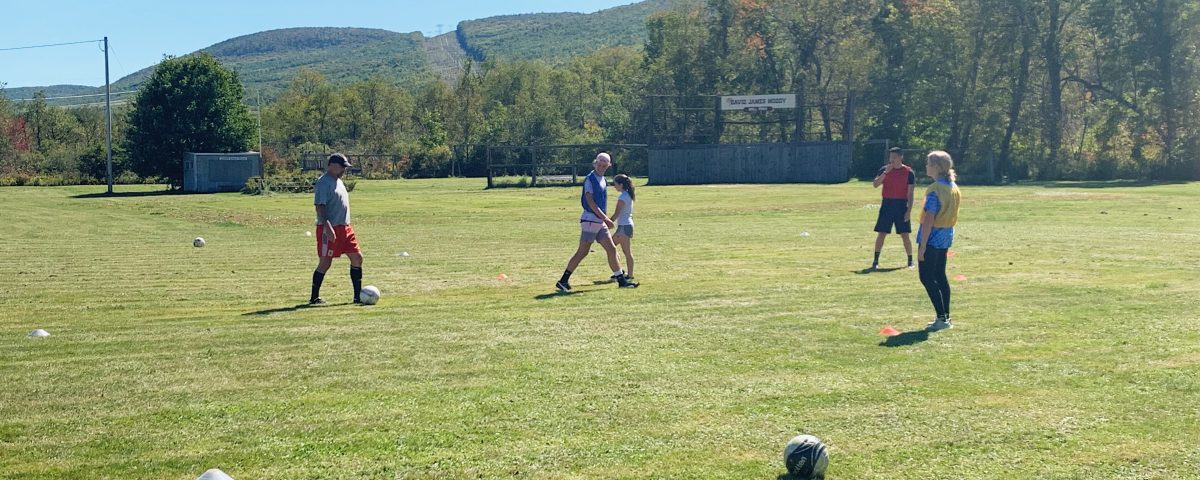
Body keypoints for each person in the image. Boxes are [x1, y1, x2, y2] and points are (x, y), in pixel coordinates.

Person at [555, 152, 638, 291]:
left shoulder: (603, 179)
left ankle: (622, 281)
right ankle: (563, 280)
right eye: (599, 164)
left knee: (611, 249)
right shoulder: (590, 179)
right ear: (595, 163)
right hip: (591, 220)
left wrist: (603, 219)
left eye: (604, 165)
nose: (601, 167)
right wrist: (605, 218)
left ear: (608, 166)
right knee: (582, 252)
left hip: (598, 221)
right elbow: (590, 201)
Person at [309, 153, 366, 305]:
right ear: (332, 165)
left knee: (357, 257)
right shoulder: (323, 182)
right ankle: (314, 297)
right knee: (325, 262)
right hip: (329, 228)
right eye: (342, 167)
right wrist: (327, 227)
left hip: (345, 227)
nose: (344, 170)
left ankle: (357, 297)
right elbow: (319, 206)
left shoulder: (338, 181)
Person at [917, 151, 961, 330]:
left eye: (928, 163)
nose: (926, 166)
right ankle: (945, 317)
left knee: (927, 277)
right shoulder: (953, 186)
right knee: (940, 276)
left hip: (933, 238)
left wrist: (922, 246)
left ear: (936, 166)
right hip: (945, 237)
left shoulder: (935, 189)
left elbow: (929, 218)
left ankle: (942, 318)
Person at [870, 146, 916, 270]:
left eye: (895, 157)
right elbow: (875, 184)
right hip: (887, 204)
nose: (892, 160)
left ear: (901, 157)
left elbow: (910, 194)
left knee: (905, 234)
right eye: (891, 157)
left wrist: (909, 211)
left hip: (901, 205)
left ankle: (910, 260)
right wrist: (886, 173)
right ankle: (875, 261)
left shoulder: (909, 172)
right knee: (882, 233)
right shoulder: (884, 170)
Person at [609, 174, 636, 280]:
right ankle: (620, 272)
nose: (614, 187)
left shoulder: (622, 197)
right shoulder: (627, 194)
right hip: (625, 225)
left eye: (615, 184)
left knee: (626, 252)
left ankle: (629, 275)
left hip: (624, 226)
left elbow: (616, 214)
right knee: (611, 248)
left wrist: (607, 223)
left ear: (621, 185)